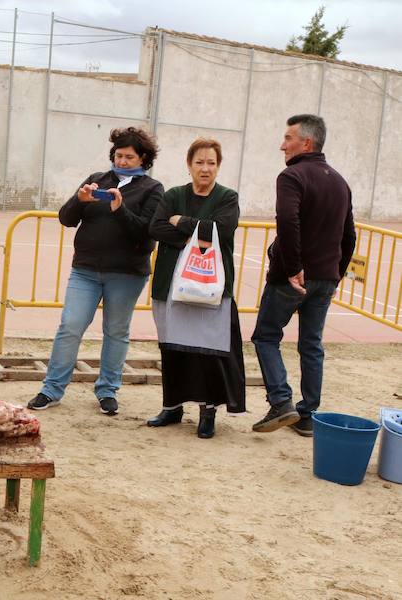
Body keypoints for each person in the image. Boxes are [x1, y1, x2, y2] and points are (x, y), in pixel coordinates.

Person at [27, 127, 163, 414]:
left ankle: (107, 390)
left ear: (144, 159)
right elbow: (66, 218)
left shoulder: (152, 189)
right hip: (86, 270)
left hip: (127, 273)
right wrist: (80, 200)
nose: (123, 161)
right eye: (118, 155)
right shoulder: (97, 180)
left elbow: (146, 233)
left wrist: (119, 208)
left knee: (116, 331)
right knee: (70, 327)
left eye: (129, 156)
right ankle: (51, 389)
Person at [251, 114, 356, 436]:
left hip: (291, 278)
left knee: (266, 336)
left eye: (288, 138)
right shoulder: (339, 181)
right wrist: (336, 274)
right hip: (325, 278)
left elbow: (287, 220)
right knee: (311, 345)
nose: (282, 145)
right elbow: (349, 235)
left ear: (306, 143)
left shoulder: (292, 176)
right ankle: (308, 415)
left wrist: (294, 267)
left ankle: (281, 401)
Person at [145, 138, 245, 438]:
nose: (205, 168)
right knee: (173, 347)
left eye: (211, 163)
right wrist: (196, 235)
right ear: (189, 165)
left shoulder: (228, 197)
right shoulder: (174, 194)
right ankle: (173, 406)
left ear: (218, 166)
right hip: (171, 285)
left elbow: (222, 230)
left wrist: (182, 222)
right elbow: (156, 227)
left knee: (207, 352)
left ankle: (208, 410)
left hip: (209, 287)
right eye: (199, 162)